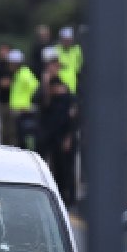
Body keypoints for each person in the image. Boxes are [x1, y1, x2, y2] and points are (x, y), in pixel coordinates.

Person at [36, 76, 78, 207]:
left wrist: (68, 138)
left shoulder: (69, 100)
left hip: (66, 140)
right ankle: (62, 196)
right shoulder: (52, 100)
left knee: (67, 170)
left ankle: (71, 199)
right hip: (55, 139)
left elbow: (72, 122)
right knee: (58, 169)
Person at [6, 49, 40, 151]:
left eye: (11, 63)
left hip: (24, 112)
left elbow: (36, 88)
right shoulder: (18, 74)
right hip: (18, 112)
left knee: (24, 140)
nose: (9, 65)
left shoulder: (25, 74)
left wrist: (29, 106)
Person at [0, 43, 15, 145]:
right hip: (2, 100)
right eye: (2, 50)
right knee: (3, 128)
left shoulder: (14, 66)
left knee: (12, 129)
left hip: (14, 101)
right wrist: (0, 84)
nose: (3, 53)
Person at [55, 26, 83, 93]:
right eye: (65, 40)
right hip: (59, 84)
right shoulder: (56, 50)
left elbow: (80, 64)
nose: (67, 42)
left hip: (73, 83)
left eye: (69, 40)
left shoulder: (77, 50)